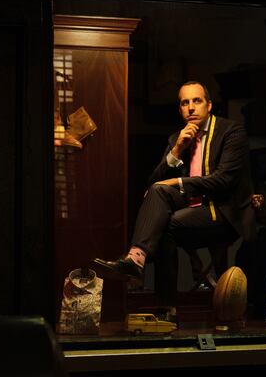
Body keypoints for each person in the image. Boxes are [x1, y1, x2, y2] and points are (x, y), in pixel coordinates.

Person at [92, 81, 257, 306]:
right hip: (192, 211)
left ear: (208, 105)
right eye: (184, 103)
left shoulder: (231, 131)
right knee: (163, 210)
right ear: (180, 109)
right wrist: (177, 149)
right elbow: (154, 187)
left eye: (196, 101)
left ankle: (164, 307)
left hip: (224, 213)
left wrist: (177, 181)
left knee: (166, 226)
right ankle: (136, 260)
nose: (190, 107)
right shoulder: (176, 139)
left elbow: (223, 180)